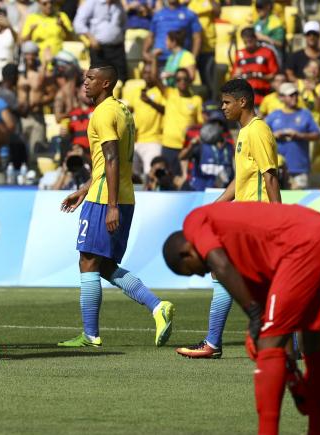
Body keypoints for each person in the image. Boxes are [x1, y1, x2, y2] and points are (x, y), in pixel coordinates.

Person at [163, 202, 320, 435]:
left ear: (187, 252)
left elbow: (220, 264)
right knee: (314, 345)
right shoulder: (248, 256)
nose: (202, 273)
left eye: (192, 269)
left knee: (267, 345)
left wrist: (256, 319)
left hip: (305, 245)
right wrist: (291, 375)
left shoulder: (193, 221)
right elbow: (269, 312)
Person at [57, 64, 174, 349]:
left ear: (106, 84)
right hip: (119, 195)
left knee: (88, 261)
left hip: (106, 199)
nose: (85, 83)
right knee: (106, 265)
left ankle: (90, 334)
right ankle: (158, 308)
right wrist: (83, 190)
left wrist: (109, 206)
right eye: (85, 77)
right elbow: (108, 162)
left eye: (91, 79)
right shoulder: (122, 110)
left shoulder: (105, 112)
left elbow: (111, 159)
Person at [176, 78, 280, 359]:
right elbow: (241, 180)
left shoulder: (257, 131)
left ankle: (213, 343)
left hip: (257, 218)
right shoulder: (245, 132)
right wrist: (215, 207)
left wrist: (279, 218)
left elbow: (270, 176)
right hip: (245, 217)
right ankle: (286, 344)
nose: (222, 108)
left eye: (226, 102)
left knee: (227, 275)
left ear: (242, 102)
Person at [266, 82, 320, 189]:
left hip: (300, 169)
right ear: (281, 97)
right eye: (291, 95)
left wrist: (299, 135)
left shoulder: (305, 114)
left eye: (296, 94)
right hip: (277, 169)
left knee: (299, 202)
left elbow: (317, 135)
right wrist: (274, 135)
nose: (294, 97)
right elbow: (261, 135)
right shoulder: (274, 115)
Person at [157, 66, 202, 178]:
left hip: (187, 148)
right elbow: (154, 78)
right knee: (167, 179)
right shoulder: (169, 93)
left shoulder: (196, 99)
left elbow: (200, 123)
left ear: (190, 81)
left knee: (185, 180)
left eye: (185, 79)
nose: (182, 82)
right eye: (178, 79)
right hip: (169, 146)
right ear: (175, 81)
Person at [125, 62, 164, 178]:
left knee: (150, 174)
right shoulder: (135, 92)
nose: (147, 75)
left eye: (150, 73)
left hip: (154, 141)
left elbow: (166, 110)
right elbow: (128, 110)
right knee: (133, 176)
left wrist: (150, 102)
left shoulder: (160, 92)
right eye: (145, 73)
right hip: (135, 141)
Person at [73, 0, 128, 83]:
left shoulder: (119, 4)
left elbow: (123, 23)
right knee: (98, 81)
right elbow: (78, 23)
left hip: (118, 49)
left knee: (120, 79)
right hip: (99, 49)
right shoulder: (92, 2)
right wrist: (91, 38)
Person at [18, 41, 53, 168]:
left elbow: (51, 94)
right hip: (21, 117)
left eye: (33, 54)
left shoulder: (42, 73)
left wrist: (38, 102)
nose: (30, 58)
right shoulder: (18, 74)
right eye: (27, 55)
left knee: (35, 152)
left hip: (37, 116)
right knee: (20, 152)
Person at [285, 21, 320, 98]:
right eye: (308, 34)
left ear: (319, 36)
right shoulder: (295, 56)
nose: (311, 37)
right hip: (300, 99)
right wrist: (302, 83)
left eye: (314, 34)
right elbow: (289, 74)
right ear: (305, 36)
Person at [142, 0, 201, 65]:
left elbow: (197, 37)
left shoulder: (189, 14)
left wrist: (193, 58)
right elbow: (150, 35)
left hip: (180, 61)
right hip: (160, 60)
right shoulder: (158, 15)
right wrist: (145, 52)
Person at [231, 27, 279, 106]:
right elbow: (233, 77)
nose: (248, 45)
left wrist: (256, 76)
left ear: (255, 39)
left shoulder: (267, 52)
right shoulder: (239, 54)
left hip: (263, 97)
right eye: (245, 42)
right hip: (244, 100)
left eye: (250, 41)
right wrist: (236, 75)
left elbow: (273, 75)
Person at [182, 121, 234, 191]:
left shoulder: (229, 147)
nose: (215, 127)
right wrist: (191, 146)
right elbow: (182, 157)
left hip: (221, 192)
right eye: (213, 124)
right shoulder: (201, 145)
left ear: (222, 128)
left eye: (219, 125)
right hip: (199, 192)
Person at [188, 0, 219, 99]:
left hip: (208, 46)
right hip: (190, 46)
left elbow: (218, 12)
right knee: (188, 77)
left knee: (208, 78)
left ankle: (210, 104)